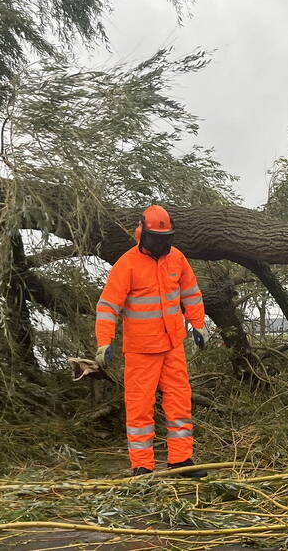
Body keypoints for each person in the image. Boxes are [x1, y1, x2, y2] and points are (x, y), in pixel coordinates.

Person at [94, 204, 210, 476]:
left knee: (180, 402)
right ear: (142, 234)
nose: (161, 244)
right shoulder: (128, 264)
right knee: (140, 407)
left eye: (165, 239)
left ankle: (181, 461)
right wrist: (104, 341)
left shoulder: (177, 259)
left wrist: (199, 325)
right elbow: (108, 306)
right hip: (141, 350)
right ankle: (142, 465)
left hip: (172, 345)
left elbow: (191, 294)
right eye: (156, 239)